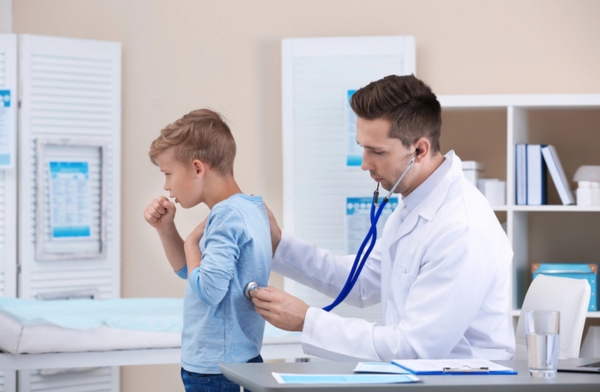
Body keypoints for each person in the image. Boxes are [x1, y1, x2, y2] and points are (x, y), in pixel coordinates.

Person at [251, 74, 516, 361]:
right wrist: (278, 244)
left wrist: (307, 321)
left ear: (419, 149)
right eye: (362, 147)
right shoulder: (414, 204)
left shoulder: (461, 228)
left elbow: (414, 348)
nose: (364, 164)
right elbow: (363, 282)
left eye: (376, 151)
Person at [144, 109, 272, 392]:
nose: (166, 186)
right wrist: (166, 229)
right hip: (232, 361)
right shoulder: (251, 207)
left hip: (216, 369)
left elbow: (209, 290)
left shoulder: (226, 215)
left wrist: (191, 242)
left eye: (168, 174)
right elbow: (188, 272)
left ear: (198, 168)